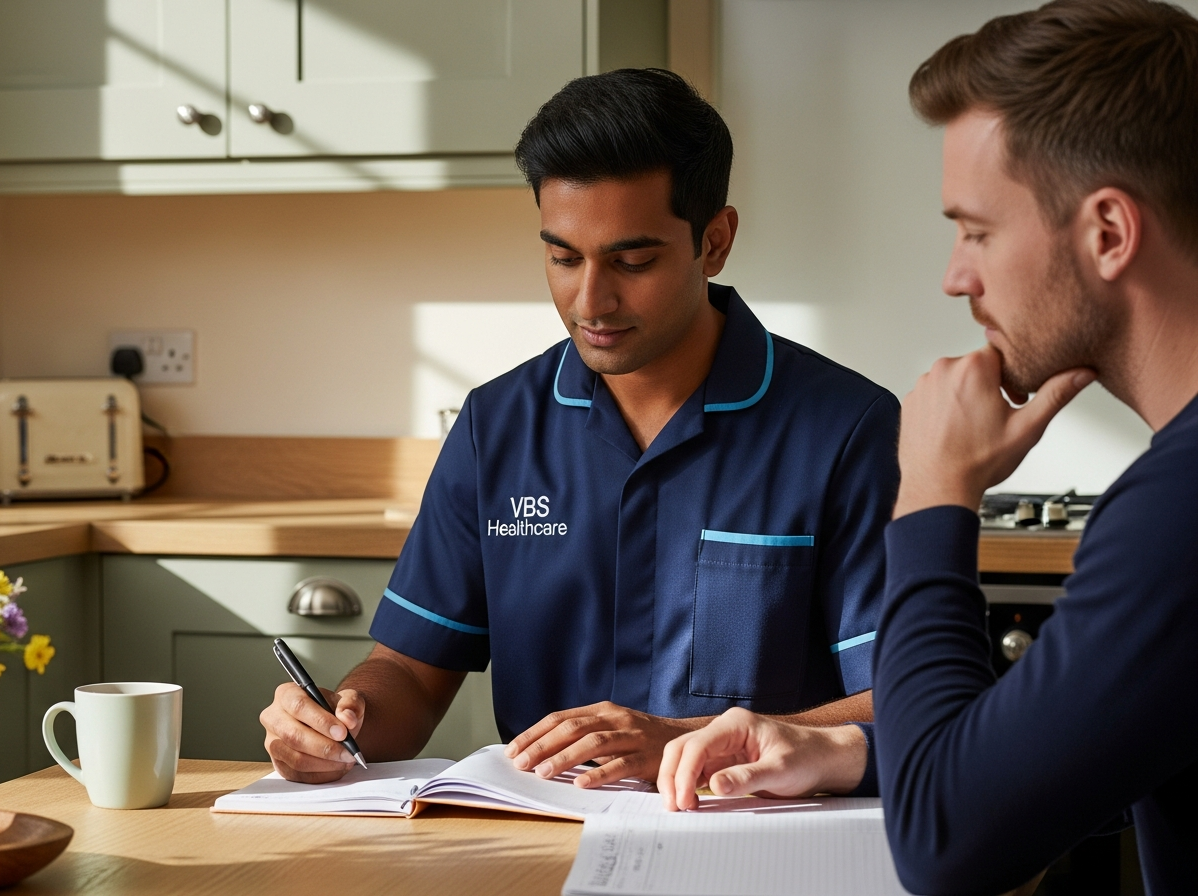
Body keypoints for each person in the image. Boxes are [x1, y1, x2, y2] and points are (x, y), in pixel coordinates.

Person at [659, 0, 1198, 891]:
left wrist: (935, 490)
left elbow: (947, 846)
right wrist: (847, 752)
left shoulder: (1176, 515)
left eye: (976, 230)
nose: (955, 276)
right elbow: (1097, 753)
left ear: (1108, 233)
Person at [260, 69, 899, 791]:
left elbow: (906, 702)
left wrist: (686, 742)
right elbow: (408, 670)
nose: (590, 300)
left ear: (715, 242)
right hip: (542, 832)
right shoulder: (496, 426)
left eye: (633, 261)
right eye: (563, 257)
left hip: (752, 830)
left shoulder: (848, 431)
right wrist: (340, 724)